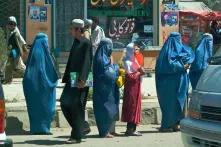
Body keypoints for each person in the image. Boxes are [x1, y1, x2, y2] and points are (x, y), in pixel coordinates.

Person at [60, 19, 92, 144]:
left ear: (79, 30)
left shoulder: (86, 43)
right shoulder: (76, 42)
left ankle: (76, 135)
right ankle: (82, 126)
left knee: (77, 106)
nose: (70, 31)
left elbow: (87, 62)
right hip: (73, 77)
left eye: (72, 28)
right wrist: (67, 77)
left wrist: (83, 79)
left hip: (83, 78)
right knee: (64, 103)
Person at [155, 32, 194, 132]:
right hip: (168, 85)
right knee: (170, 104)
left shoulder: (180, 49)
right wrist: (181, 67)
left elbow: (187, 56)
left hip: (180, 83)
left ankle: (175, 124)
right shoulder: (165, 53)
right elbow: (166, 66)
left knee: (180, 103)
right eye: (177, 39)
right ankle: (166, 126)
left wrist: (187, 62)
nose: (179, 41)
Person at [23, 33, 58, 135]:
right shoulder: (43, 54)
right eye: (46, 42)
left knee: (34, 108)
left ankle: (35, 128)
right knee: (46, 107)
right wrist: (52, 83)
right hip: (43, 86)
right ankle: (44, 128)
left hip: (31, 86)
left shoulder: (34, 52)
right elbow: (45, 72)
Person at [93, 38, 120, 138]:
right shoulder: (100, 59)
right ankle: (104, 131)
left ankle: (110, 130)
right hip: (103, 91)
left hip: (108, 90)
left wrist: (113, 66)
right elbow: (108, 74)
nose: (111, 49)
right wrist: (114, 67)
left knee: (110, 109)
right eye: (110, 46)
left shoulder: (105, 57)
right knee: (104, 110)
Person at [121, 43, 144, 136]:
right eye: (134, 49)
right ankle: (130, 129)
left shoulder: (134, 60)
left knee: (135, 106)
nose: (135, 51)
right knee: (132, 106)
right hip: (131, 87)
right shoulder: (127, 62)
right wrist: (139, 73)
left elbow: (140, 71)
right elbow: (130, 76)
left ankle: (133, 128)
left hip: (136, 86)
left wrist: (140, 72)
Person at [4, 16, 27, 84]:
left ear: (15, 25)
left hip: (16, 53)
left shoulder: (16, 33)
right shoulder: (9, 31)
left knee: (19, 67)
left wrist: (24, 48)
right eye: (9, 24)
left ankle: (30, 75)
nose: (10, 26)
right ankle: (8, 80)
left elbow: (21, 40)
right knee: (9, 66)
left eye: (12, 24)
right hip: (11, 52)